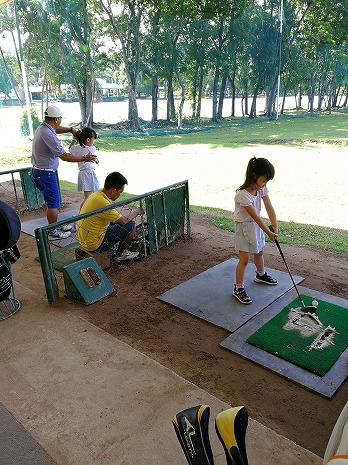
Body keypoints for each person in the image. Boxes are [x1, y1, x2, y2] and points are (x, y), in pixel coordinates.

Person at [30, 105, 97, 239]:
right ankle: (52, 230)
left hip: (40, 171)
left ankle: (54, 225)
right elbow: (64, 156)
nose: (60, 121)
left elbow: (57, 129)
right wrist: (85, 158)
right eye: (60, 119)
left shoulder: (43, 127)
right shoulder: (48, 134)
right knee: (53, 204)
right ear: (56, 119)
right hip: (45, 173)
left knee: (53, 202)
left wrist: (71, 129)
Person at [233, 157, 278, 305]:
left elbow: (269, 207)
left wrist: (274, 226)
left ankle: (261, 274)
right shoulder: (242, 194)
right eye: (264, 180)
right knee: (244, 259)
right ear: (254, 175)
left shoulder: (261, 189)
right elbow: (256, 216)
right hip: (243, 227)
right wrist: (269, 232)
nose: (264, 184)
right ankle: (238, 288)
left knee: (259, 252)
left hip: (256, 226)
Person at [76, 171, 141, 262]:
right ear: (113, 191)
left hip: (84, 240)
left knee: (115, 221)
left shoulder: (96, 195)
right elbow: (123, 221)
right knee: (131, 225)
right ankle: (120, 255)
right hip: (94, 245)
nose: (120, 195)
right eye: (120, 192)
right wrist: (137, 211)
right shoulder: (103, 202)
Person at [69, 127, 100, 210]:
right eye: (93, 139)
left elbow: (70, 149)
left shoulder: (75, 148)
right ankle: (80, 217)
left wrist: (74, 140)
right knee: (88, 198)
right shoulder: (92, 148)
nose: (93, 142)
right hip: (87, 173)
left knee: (91, 197)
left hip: (84, 173)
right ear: (88, 140)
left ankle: (84, 215)